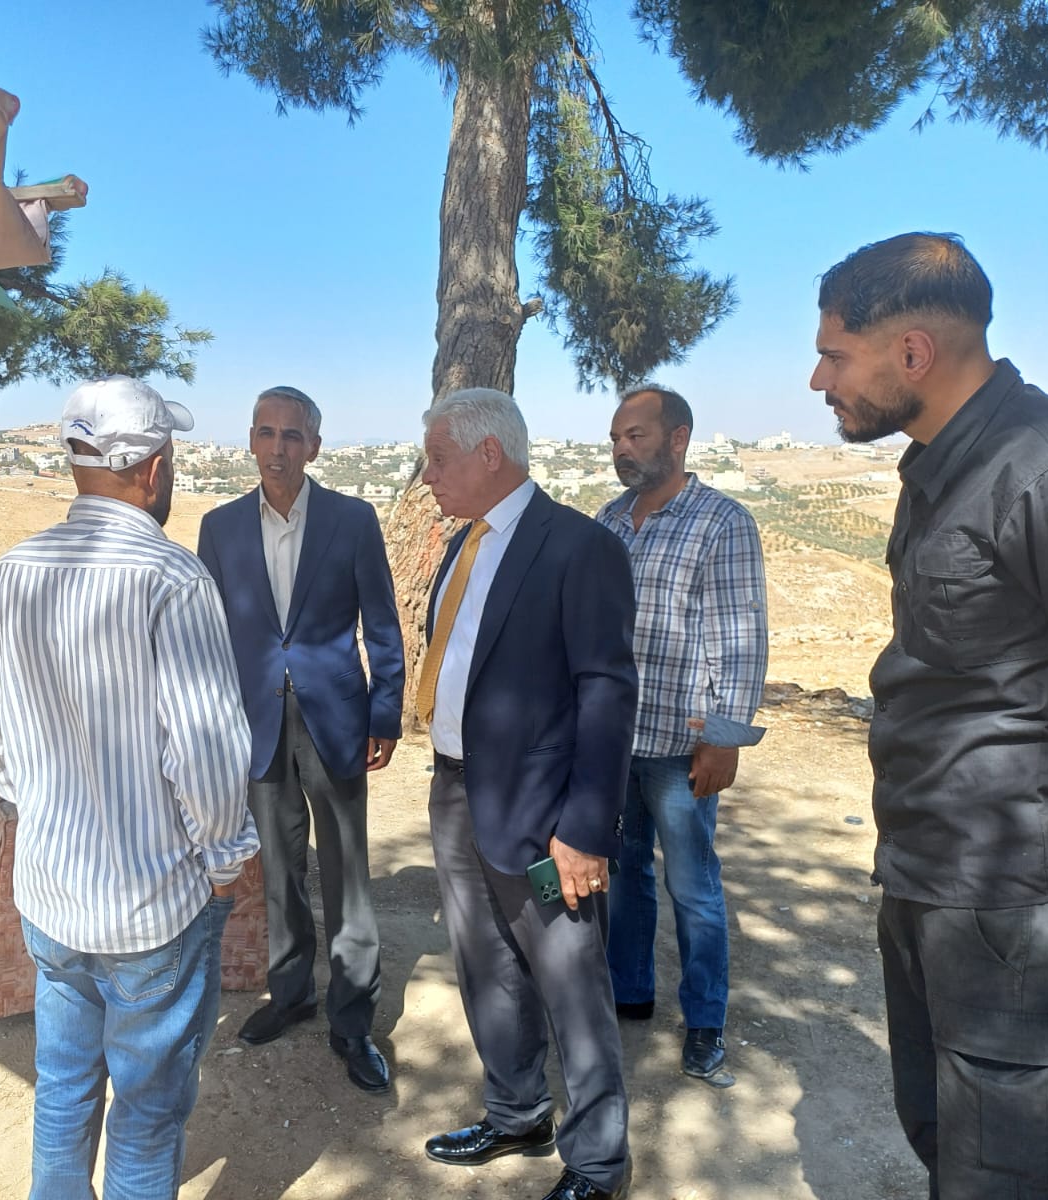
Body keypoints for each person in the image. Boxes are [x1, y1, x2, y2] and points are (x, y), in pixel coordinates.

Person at [810, 232, 1048, 1199]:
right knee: (945, 1137)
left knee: (1005, 1173)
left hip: (1016, 894)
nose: (818, 381)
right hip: (926, 869)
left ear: (913, 353)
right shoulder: (937, 467)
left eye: (834, 356)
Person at [0, 375, 259, 1200]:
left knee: (63, 1086)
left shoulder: (8, 574)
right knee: (147, 1114)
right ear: (156, 467)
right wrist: (226, 861)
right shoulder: (172, 579)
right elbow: (208, 756)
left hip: (52, 899)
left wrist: (56, 809)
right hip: (151, 908)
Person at [417, 388, 638, 1200]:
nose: (427, 476)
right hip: (456, 792)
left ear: (490, 453)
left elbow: (607, 692)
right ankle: (516, 1114)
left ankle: (598, 1165)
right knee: (485, 967)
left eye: (438, 458)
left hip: (547, 822)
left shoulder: (580, 547)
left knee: (572, 984)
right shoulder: (464, 541)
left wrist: (584, 829)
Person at [196, 385, 405, 1092]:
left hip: (336, 722)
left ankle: (353, 1021)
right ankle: (290, 995)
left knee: (347, 875)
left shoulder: (352, 520)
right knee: (280, 870)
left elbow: (382, 625)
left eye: (292, 435)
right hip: (256, 724)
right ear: (251, 441)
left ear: (314, 446)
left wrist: (385, 713)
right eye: (266, 432)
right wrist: (214, 723)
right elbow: (210, 637)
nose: (278, 448)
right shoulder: (220, 528)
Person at [597, 386, 768, 1085]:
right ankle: (630, 993)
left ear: (678, 438)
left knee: (693, 886)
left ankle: (704, 1021)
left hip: (680, 743)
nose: (622, 449)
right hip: (615, 740)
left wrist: (724, 737)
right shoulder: (609, 521)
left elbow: (741, 637)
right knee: (625, 873)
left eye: (635, 435)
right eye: (616, 438)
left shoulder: (722, 522)